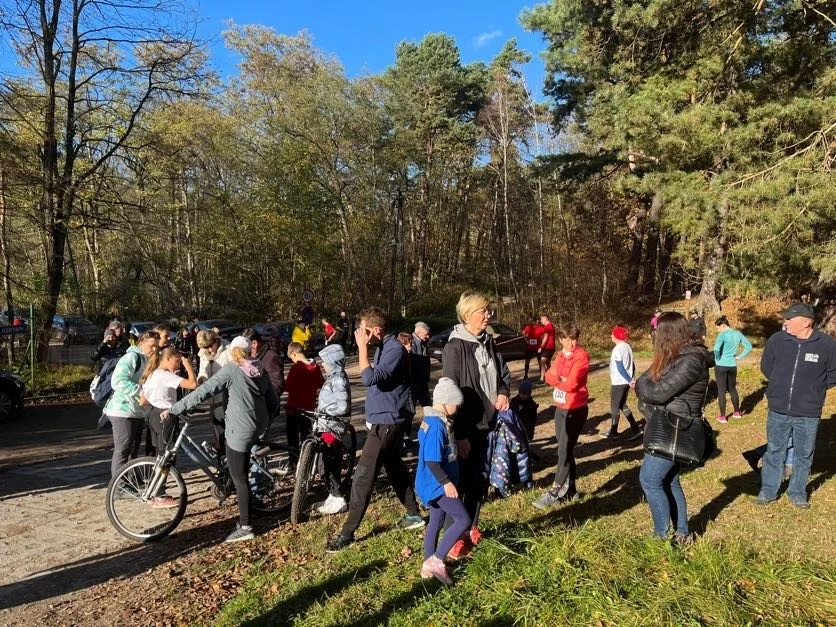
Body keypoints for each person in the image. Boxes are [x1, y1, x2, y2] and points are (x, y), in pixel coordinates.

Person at [326, 306, 424, 552]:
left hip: (388, 422)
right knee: (395, 468)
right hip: (384, 420)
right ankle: (414, 514)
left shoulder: (394, 350)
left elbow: (368, 378)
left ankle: (347, 533)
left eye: (364, 330)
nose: (360, 334)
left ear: (376, 331)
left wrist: (361, 349)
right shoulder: (382, 347)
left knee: (363, 476)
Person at [167, 336, 279, 543]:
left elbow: (203, 391)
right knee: (239, 467)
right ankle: (247, 509)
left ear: (233, 352)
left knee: (240, 478)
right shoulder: (259, 369)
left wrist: (175, 408)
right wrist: (265, 420)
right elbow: (273, 401)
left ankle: (245, 526)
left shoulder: (232, 370)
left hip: (239, 431)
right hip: (256, 425)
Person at [442, 291, 510, 557]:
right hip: (466, 427)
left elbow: (503, 373)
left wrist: (503, 392)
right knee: (461, 482)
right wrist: (458, 435)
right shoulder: (455, 346)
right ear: (468, 315)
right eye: (483, 311)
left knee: (479, 480)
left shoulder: (488, 342)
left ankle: (471, 526)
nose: (488, 315)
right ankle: (453, 537)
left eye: (489, 310)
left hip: (487, 423)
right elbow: (450, 391)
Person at [635, 312, 710, 541]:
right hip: (669, 425)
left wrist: (641, 384)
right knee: (669, 480)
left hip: (676, 428)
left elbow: (656, 392)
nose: (654, 335)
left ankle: (661, 535)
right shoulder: (677, 356)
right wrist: (644, 383)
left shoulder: (691, 360)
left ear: (667, 333)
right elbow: (648, 382)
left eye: (657, 331)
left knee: (649, 479)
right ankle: (682, 532)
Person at [756, 303, 836, 509]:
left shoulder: (827, 345)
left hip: (808, 411)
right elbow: (767, 366)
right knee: (774, 450)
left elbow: (833, 374)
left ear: (806, 322)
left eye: (790, 319)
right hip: (778, 408)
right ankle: (768, 490)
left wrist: (814, 390)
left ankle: (797, 492)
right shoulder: (777, 340)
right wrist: (778, 385)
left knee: (804, 453)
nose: (786, 322)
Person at [416, 377, 470, 585]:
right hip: (437, 485)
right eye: (456, 405)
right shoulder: (437, 427)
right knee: (463, 519)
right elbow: (432, 460)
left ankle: (428, 564)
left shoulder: (432, 421)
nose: (457, 409)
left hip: (431, 484)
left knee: (436, 522)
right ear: (446, 402)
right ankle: (437, 560)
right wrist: (446, 483)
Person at [533, 325, 590, 509]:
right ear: (560, 340)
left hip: (576, 408)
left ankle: (554, 491)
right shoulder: (560, 355)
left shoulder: (581, 356)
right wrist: (560, 380)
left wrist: (561, 380)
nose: (571, 343)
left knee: (564, 450)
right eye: (566, 339)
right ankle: (571, 489)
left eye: (573, 339)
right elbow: (548, 376)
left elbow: (572, 383)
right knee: (565, 449)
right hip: (560, 407)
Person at [138, 347, 198, 506]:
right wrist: (188, 366)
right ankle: (160, 494)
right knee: (168, 455)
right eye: (177, 361)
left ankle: (154, 490)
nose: (178, 366)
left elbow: (142, 401)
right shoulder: (166, 376)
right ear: (168, 358)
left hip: (152, 414)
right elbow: (193, 384)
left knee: (159, 455)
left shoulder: (151, 374)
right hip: (166, 416)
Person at [105, 330, 160, 477]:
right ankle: (120, 485)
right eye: (152, 346)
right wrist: (142, 391)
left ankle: (131, 480)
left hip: (137, 410)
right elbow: (118, 381)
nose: (154, 349)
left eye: (157, 346)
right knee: (123, 449)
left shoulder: (148, 359)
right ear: (141, 342)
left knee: (133, 449)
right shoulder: (131, 357)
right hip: (123, 409)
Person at [314, 343, 352, 515]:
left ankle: (338, 497)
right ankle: (332, 494)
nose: (322, 364)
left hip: (332, 425)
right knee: (326, 459)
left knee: (327, 461)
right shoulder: (333, 377)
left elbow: (342, 406)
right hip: (326, 424)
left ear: (333, 362)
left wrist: (325, 411)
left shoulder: (338, 379)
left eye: (325, 361)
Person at [602, 326, 642, 439]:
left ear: (617, 336)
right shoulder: (627, 346)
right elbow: (632, 365)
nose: (611, 336)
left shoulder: (618, 349)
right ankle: (635, 428)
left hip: (618, 382)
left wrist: (630, 380)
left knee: (615, 406)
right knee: (622, 404)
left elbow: (620, 367)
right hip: (625, 382)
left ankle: (613, 432)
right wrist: (631, 378)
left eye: (612, 334)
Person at [243, 328, 285, 433]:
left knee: (255, 445)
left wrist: (261, 397)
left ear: (254, 343)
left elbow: (277, 385)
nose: (245, 351)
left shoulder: (271, 357)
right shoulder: (253, 358)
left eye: (247, 348)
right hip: (254, 407)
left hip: (265, 408)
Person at [285, 341, 325, 451]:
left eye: (290, 357)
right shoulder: (315, 367)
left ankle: (293, 463)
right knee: (306, 436)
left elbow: (288, 387)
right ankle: (306, 461)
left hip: (293, 408)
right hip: (308, 408)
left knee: (292, 438)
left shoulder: (296, 368)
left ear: (294, 353)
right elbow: (322, 384)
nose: (291, 360)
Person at [712, 316, 752, 424]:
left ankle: (722, 416)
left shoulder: (722, 335)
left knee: (721, 390)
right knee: (732, 389)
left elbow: (716, 349)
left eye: (718, 328)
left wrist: (717, 357)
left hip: (721, 365)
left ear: (723, 325)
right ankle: (737, 412)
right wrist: (740, 356)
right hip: (732, 365)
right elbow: (748, 346)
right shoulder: (737, 334)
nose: (717, 330)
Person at [197, 330, 231, 454]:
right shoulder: (202, 353)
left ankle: (230, 461)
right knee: (218, 430)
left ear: (216, 340)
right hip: (213, 397)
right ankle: (222, 462)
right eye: (206, 347)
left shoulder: (229, 349)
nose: (209, 349)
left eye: (211, 346)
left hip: (227, 396)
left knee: (228, 431)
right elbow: (202, 371)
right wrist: (201, 378)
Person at [410, 322, 432, 408]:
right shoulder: (410, 342)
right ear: (419, 333)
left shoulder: (424, 343)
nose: (428, 337)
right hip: (413, 382)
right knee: (410, 409)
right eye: (426, 334)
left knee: (428, 407)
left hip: (422, 381)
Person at [522, 316, 543, 380]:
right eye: (529, 320)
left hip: (538, 348)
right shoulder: (528, 327)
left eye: (531, 320)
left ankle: (541, 375)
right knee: (527, 361)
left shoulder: (540, 328)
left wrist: (542, 344)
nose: (530, 322)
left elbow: (545, 335)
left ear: (535, 321)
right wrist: (526, 341)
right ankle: (525, 375)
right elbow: (523, 333)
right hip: (530, 347)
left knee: (540, 362)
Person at [538, 314, 556, 383]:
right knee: (547, 363)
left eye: (542, 319)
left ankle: (542, 379)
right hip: (552, 347)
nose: (541, 321)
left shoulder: (547, 327)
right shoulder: (551, 325)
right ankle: (552, 378)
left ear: (546, 319)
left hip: (548, 348)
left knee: (542, 362)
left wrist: (541, 347)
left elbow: (545, 338)